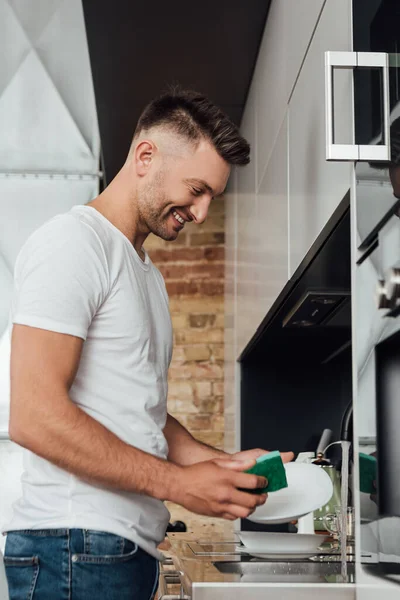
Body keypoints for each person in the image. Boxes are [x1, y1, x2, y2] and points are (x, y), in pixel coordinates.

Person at [3, 89, 293, 600]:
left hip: (114, 549)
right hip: (74, 544)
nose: (202, 212)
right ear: (145, 156)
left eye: (211, 198)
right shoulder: (73, 243)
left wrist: (224, 466)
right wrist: (181, 486)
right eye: (197, 189)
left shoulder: (143, 273)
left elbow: (144, 414)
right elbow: (33, 414)